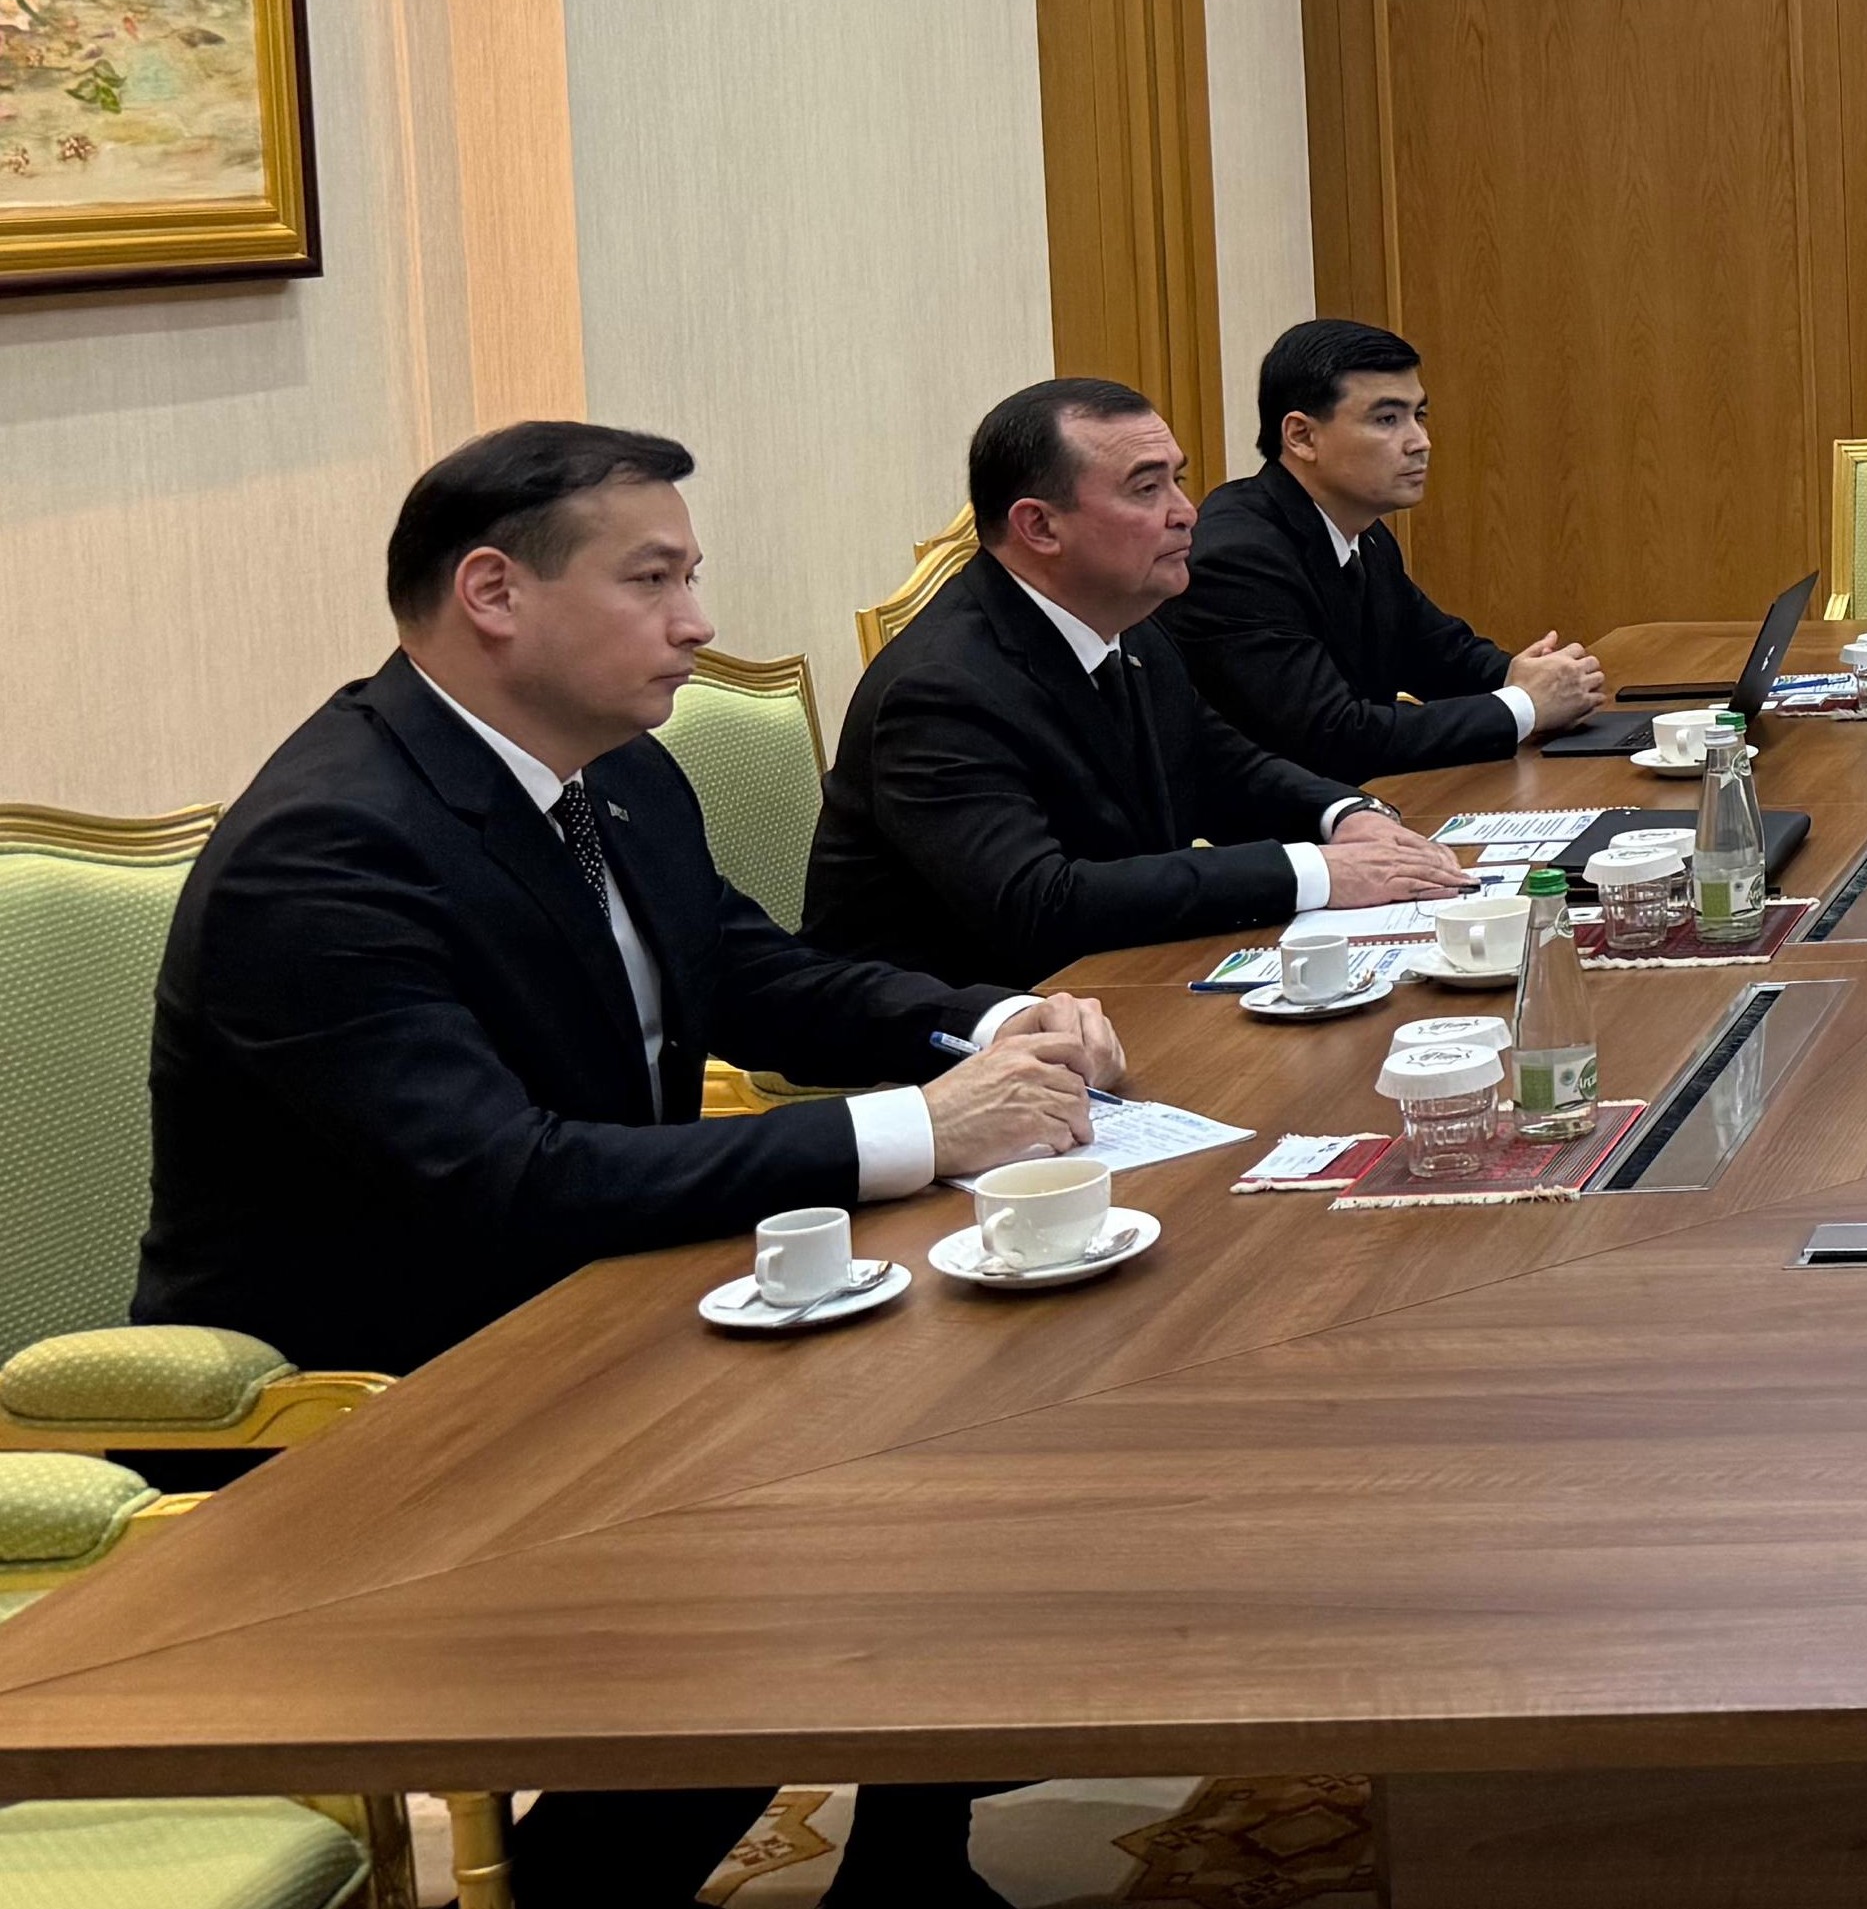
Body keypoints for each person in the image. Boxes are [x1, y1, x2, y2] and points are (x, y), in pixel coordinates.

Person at [140, 421, 1120, 1909]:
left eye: (691, 576)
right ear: (493, 592)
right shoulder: (329, 848)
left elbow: (752, 973)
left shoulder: (616, 775)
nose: (698, 621)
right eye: (652, 579)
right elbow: (508, 1180)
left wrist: (986, 1020)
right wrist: (927, 1129)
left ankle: (914, 1870)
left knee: (975, 1403)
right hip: (375, 1403)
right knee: (791, 1559)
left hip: (580, 1313)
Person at [806, 379, 1464, 983]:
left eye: (1179, 480)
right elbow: (1040, 903)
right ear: (1039, 526)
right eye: (1147, 489)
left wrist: (1343, 816)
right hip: (965, 1029)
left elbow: (1222, 768)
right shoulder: (940, 690)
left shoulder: (1133, 626)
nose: (1186, 512)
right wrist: (1313, 872)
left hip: (1121, 980)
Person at [1158, 319, 1606, 781]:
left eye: (1419, 416)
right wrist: (1524, 706)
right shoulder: (1238, 558)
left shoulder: (1364, 534)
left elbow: (1442, 655)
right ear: (1302, 437)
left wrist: (1539, 677)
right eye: (1387, 419)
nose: (1420, 442)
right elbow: (1333, 736)